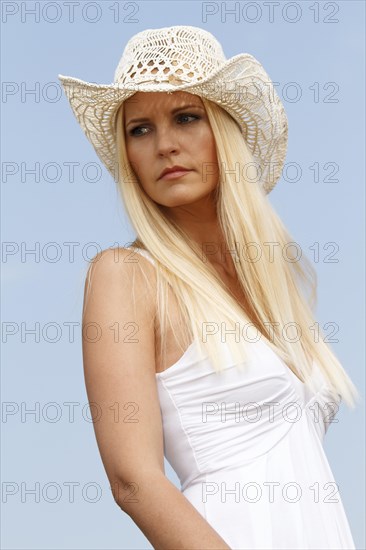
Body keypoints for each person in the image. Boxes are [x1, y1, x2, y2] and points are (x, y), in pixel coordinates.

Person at [59, 25, 359, 550]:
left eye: (185, 117)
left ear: (223, 131)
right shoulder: (126, 275)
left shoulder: (271, 284)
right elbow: (134, 482)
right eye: (140, 130)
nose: (165, 145)